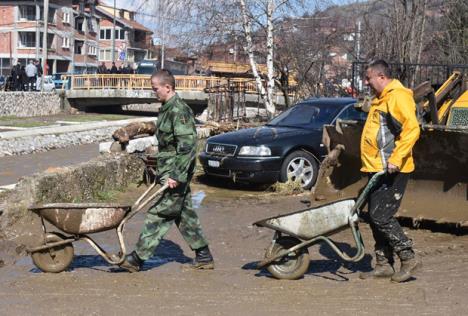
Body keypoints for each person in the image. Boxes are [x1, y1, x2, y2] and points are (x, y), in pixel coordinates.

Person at [119, 69, 214, 272]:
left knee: (159, 214)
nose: (154, 93)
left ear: (168, 87)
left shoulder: (179, 110)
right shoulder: (167, 108)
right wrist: (143, 128)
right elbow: (166, 134)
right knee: (183, 213)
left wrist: (176, 176)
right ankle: (203, 255)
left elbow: (187, 146)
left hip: (174, 171)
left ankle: (137, 259)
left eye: (156, 89)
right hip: (168, 168)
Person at [359, 59, 421, 283]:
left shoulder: (397, 97)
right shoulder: (380, 99)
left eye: (369, 78)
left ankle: (408, 256)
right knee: (374, 217)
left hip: (392, 168)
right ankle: (384, 264)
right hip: (376, 167)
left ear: (381, 77)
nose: (366, 82)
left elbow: (412, 129)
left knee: (380, 215)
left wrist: (396, 159)